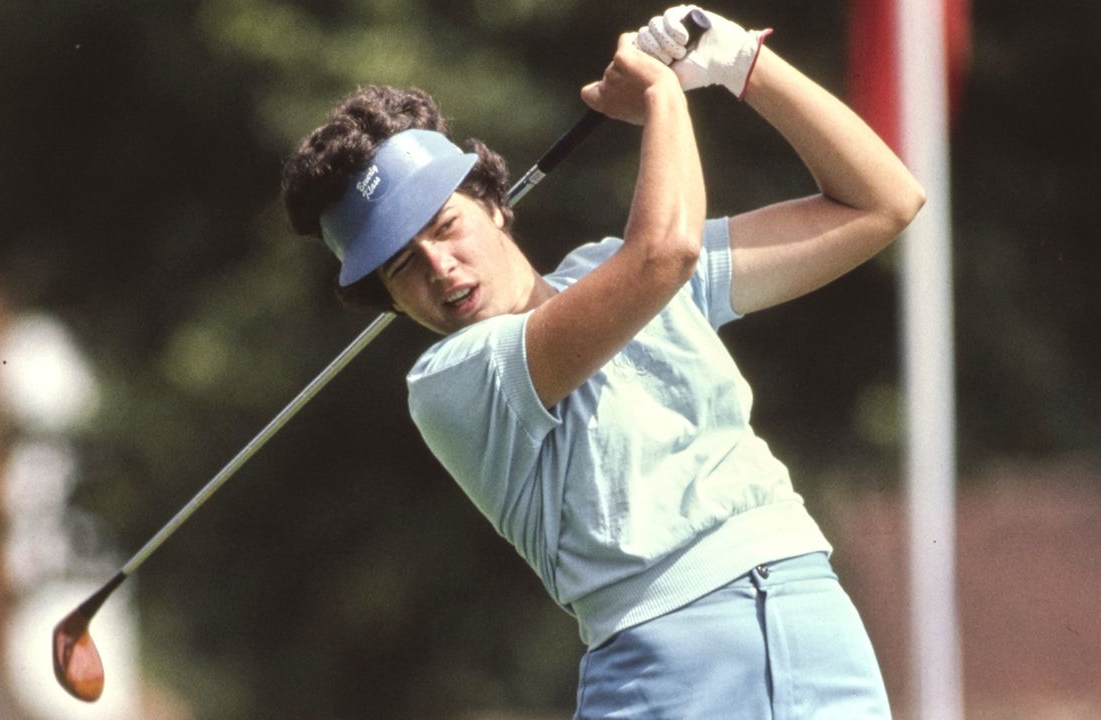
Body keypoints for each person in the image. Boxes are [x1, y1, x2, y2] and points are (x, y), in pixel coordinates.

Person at [282, 5, 923, 718]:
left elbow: (882, 203)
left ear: (493, 203)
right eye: (403, 267)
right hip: (667, 666)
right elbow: (664, 254)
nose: (440, 267)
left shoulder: (608, 270)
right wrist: (662, 94)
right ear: (391, 302)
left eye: (446, 226)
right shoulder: (452, 382)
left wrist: (741, 64)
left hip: (811, 619)